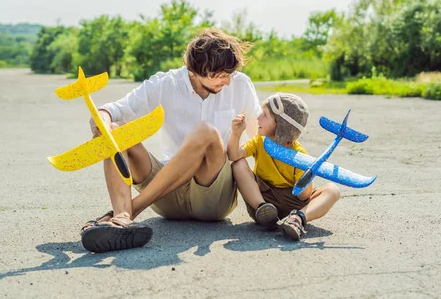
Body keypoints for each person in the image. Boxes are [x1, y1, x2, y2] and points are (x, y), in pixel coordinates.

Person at [80, 28, 261, 253]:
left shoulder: (240, 84)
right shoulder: (166, 83)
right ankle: (121, 220)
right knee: (117, 132)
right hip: (167, 197)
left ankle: (125, 214)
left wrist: (275, 192)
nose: (227, 81)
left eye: (230, 74)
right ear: (196, 70)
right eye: (221, 75)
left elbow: (260, 137)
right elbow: (113, 110)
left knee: (206, 132)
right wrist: (102, 122)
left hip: (213, 196)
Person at [227, 92, 341, 241]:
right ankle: (263, 210)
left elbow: (304, 196)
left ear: (281, 125)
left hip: (292, 201)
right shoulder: (259, 141)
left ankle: (299, 218)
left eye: (265, 115)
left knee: (333, 190)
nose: (258, 117)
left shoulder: (299, 154)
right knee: (238, 163)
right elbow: (234, 155)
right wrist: (236, 133)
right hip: (263, 197)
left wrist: (309, 172)